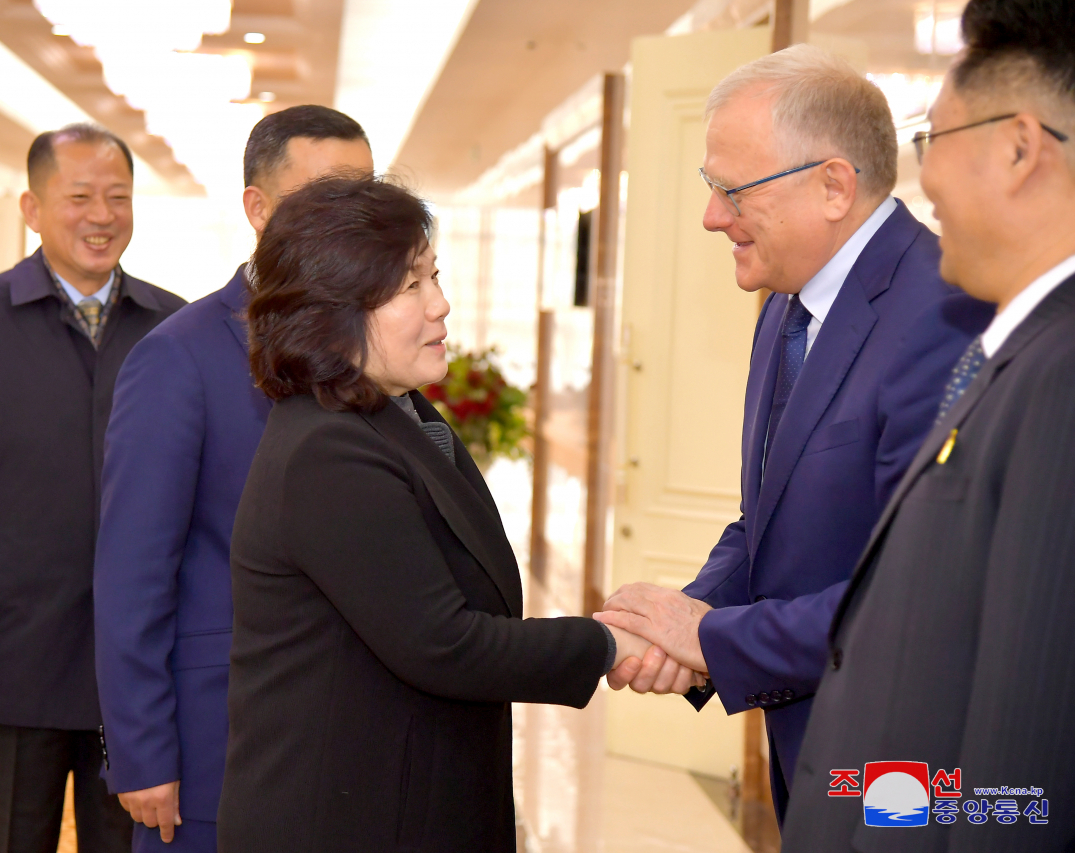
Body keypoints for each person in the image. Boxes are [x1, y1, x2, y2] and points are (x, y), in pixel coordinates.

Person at [593, 45, 992, 821]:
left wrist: (714, 640)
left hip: (903, 767)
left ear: (834, 185)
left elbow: (920, 597)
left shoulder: (946, 314)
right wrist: (688, 617)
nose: (712, 216)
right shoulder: (787, 303)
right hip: (811, 750)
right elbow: (768, 525)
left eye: (732, 190)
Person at [219, 175, 652, 852]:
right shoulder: (327, 451)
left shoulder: (400, 414)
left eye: (435, 277)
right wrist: (609, 644)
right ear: (331, 311)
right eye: (410, 287)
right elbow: (445, 643)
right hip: (347, 819)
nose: (442, 305)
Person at [782, 1, 1075, 848]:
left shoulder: (1058, 379)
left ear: (1019, 147)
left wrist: (875, 811)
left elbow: (1024, 784)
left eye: (931, 141)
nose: (925, 179)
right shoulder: (1008, 351)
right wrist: (855, 799)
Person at [92, 105, 373, 850]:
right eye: (321, 199)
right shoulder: (179, 356)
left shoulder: (379, 344)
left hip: (353, 735)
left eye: (363, 199)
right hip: (219, 743)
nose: (348, 222)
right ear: (258, 208)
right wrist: (143, 752)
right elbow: (133, 572)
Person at [0, 123, 185, 852]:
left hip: (138, 669)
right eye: (80, 197)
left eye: (118, 197)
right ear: (31, 208)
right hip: (11, 656)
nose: (102, 216)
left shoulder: (171, 327)